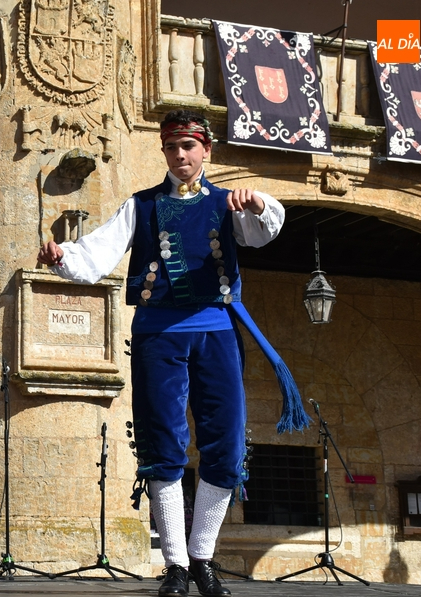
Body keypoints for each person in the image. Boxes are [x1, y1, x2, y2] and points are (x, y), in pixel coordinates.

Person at [37, 110, 307, 597]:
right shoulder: (140, 206)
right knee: (162, 441)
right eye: (171, 147)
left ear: (206, 150)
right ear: (163, 151)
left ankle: (203, 557)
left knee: (223, 441)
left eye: (188, 146)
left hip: (216, 329)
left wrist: (257, 202)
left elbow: (265, 230)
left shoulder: (228, 203)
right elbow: (98, 251)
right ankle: (177, 565)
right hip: (158, 332)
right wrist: (64, 256)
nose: (179, 156)